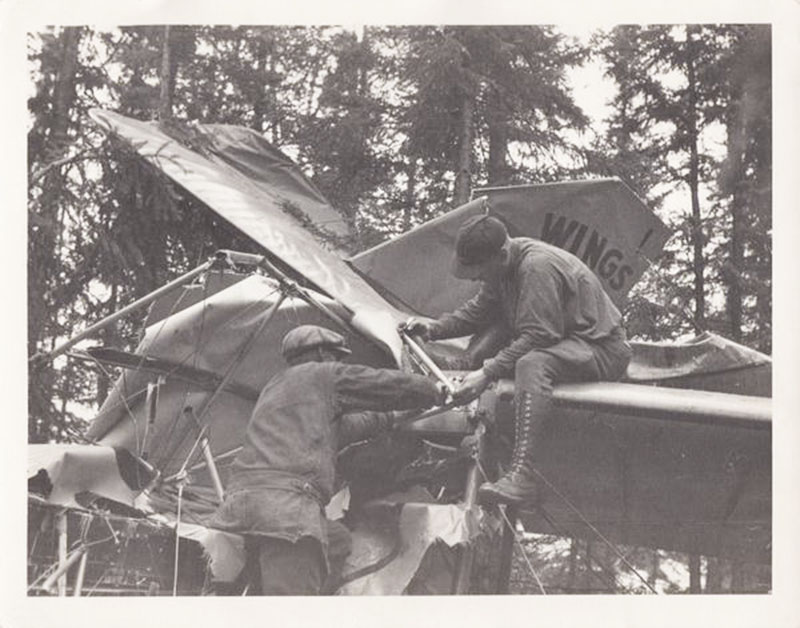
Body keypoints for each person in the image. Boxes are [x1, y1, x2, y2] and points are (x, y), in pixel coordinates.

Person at [405, 214, 631, 506]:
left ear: (500, 255)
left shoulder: (537, 268)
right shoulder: (506, 264)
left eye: (479, 272)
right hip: (567, 340)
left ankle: (523, 476)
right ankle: (464, 366)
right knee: (503, 319)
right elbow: (479, 311)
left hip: (601, 349)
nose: (476, 278)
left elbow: (539, 336)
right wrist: (433, 329)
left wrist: (487, 373)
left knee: (533, 363)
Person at [210, 324, 445, 595]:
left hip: (240, 508)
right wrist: (434, 389)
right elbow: (381, 383)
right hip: (285, 510)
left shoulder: (275, 389)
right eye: (338, 359)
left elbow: (348, 428)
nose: (340, 364)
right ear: (323, 354)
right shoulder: (323, 374)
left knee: (337, 540)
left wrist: (394, 418)